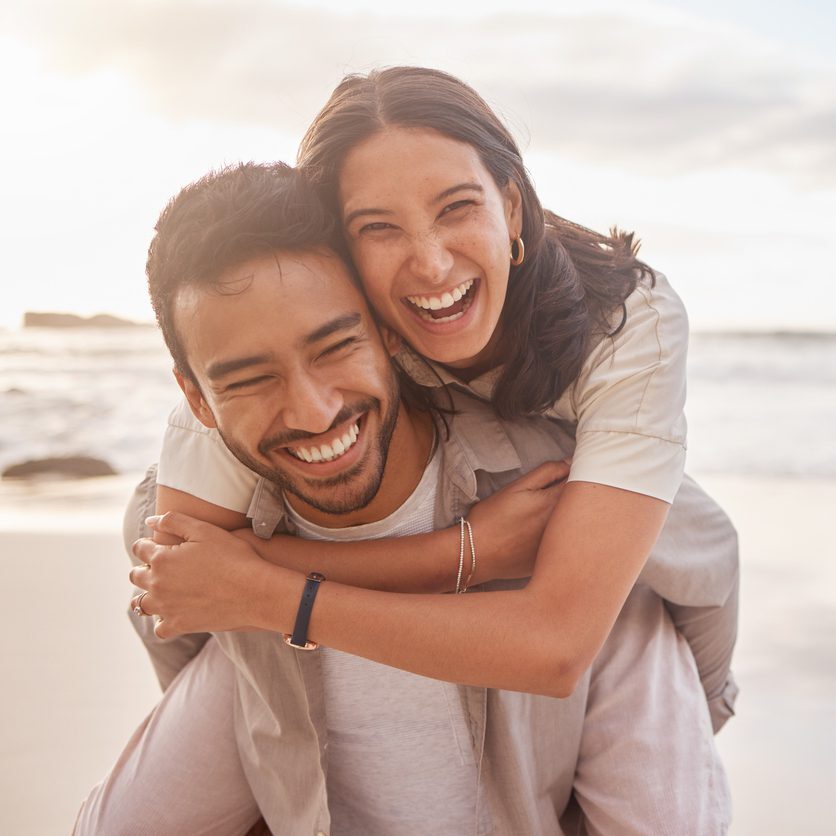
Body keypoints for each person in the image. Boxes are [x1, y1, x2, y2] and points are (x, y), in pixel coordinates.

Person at [77, 162, 729, 835]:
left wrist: (455, 555)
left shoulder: (564, 512)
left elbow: (706, 570)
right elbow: (173, 607)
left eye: (335, 346)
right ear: (196, 399)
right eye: (248, 380)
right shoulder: (221, 564)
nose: (310, 410)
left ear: (390, 330)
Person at [145, 67, 738, 728]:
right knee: (150, 507)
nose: (430, 264)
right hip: (465, 524)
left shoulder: (629, 319)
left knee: (683, 540)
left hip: (637, 560)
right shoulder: (303, 349)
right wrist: (458, 553)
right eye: (378, 228)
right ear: (337, 250)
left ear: (510, 208)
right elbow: (184, 568)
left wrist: (277, 595)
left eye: (457, 208)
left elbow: (556, 645)